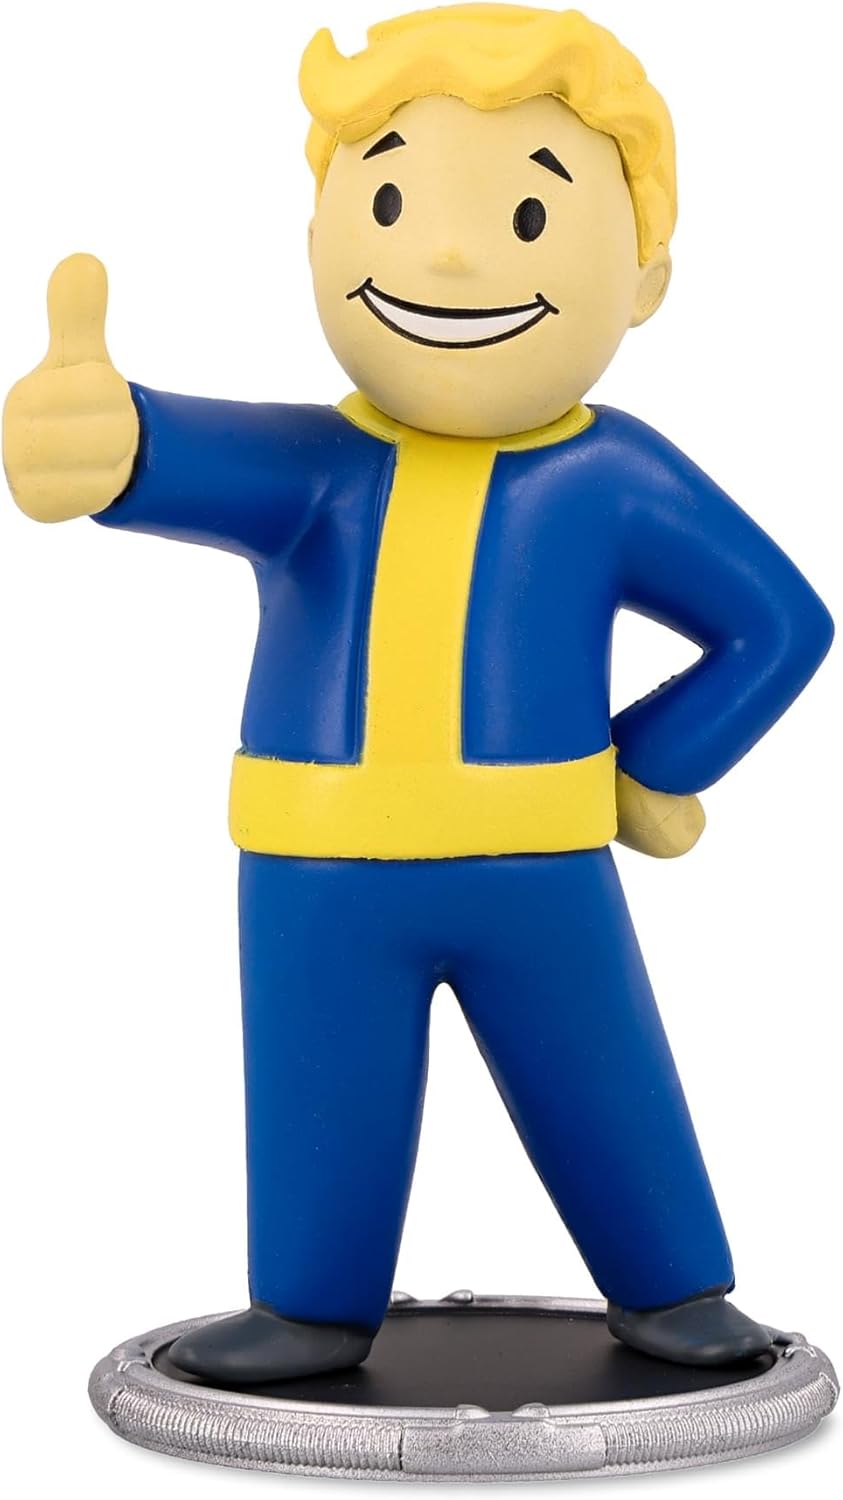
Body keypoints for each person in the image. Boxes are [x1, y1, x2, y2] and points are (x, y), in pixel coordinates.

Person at [3, 5, 833, 1381]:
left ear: (645, 277)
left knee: (603, 1078)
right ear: (318, 234)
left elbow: (781, 626)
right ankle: (310, 1303)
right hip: (319, 870)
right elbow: (158, 450)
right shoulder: (312, 467)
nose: (446, 254)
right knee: (315, 1079)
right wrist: (94, 433)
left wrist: (653, 762)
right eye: (389, 200)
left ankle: (674, 1285)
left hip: (539, 868)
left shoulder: (611, 476)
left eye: (526, 218)